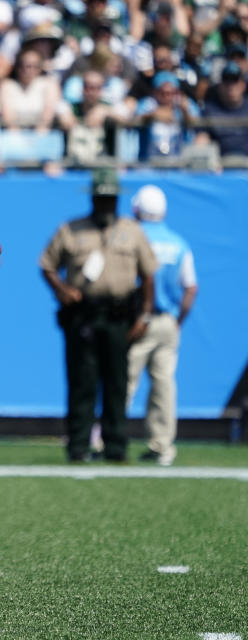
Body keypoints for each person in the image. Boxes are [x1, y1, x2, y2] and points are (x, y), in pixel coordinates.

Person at [39, 168, 158, 463]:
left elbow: (149, 274)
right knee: (82, 381)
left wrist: (144, 315)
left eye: (110, 200)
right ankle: (79, 445)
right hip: (83, 316)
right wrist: (62, 290)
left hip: (119, 315)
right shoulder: (71, 229)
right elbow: (47, 265)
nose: (106, 205)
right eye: (101, 199)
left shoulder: (131, 230)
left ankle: (115, 445)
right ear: (92, 199)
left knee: (116, 382)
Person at [126, 185, 197, 467]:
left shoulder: (134, 238)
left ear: (137, 210)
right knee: (164, 385)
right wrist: (178, 321)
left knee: (124, 381)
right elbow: (190, 288)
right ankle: (162, 445)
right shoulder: (178, 243)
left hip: (138, 320)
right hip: (167, 320)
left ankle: (106, 438)